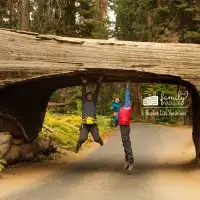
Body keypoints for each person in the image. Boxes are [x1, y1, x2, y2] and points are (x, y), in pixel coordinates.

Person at [75, 77, 104, 153]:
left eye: (91, 96)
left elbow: (97, 92)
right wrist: (84, 83)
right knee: (82, 138)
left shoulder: (94, 102)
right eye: (88, 96)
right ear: (86, 97)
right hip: (85, 124)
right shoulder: (84, 102)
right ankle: (77, 147)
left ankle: (100, 140)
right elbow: (83, 92)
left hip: (93, 124)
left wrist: (98, 83)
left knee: (96, 138)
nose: (90, 96)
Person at [118, 81, 134, 173]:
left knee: (126, 143)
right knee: (125, 143)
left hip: (125, 126)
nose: (129, 102)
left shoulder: (128, 107)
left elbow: (127, 96)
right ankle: (127, 160)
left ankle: (130, 161)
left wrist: (127, 87)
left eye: (130, 102)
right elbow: (118, 117)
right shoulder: (122, 108)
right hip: (122, 127)